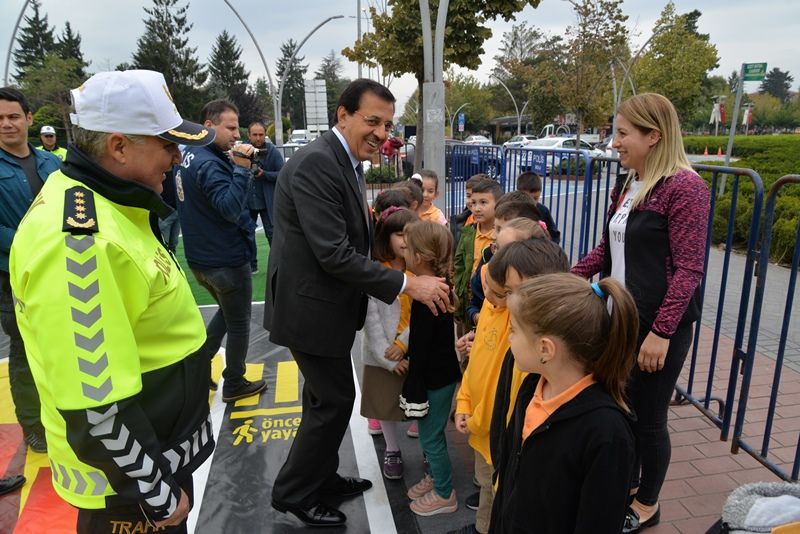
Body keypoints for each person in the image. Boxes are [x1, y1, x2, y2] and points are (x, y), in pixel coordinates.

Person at [9, 69, 217, 533]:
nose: (177, 157)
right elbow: (97, 409)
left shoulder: (106, 203)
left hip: (147, 462)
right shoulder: (80, 244)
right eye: (167, 145)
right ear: (119, 147)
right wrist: (157, 493)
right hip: (130, 488)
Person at [265, 78, 450, 528]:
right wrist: (408, 283)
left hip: (323, 307)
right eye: (372, 121)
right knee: (333, 402)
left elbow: (354, 240)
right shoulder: (316, 165)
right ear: (342, 115)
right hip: (309, 310)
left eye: (386, 124)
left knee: (322, 400)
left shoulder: (346, 161)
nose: (381, 133)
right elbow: (334, 254)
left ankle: (322, 478)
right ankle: (293, 493)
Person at [571, 92, 711, 533]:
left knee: (649, 417)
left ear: (654, 136)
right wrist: (571, 276)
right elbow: (609, 248)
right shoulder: (628, 182)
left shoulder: (686, 187)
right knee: (620, 404)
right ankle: (624, 482)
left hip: (655, 327)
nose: (614, 143)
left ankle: (647, 503)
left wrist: (662, 332)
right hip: (619, 317)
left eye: (623, 133)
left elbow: (690, 268)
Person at [490, 274, 638, 534]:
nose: (509, 338)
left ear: (545, 349)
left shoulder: (606, 434)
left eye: (513, 330)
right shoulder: (532, 388)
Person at [176, 100, 267, 403]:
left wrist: (239, 167)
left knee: (226, 316)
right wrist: (240, 171)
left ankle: (199, 369)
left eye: (237, 127)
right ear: (208, 126)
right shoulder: (209, 163)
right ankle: (235, 382)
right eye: (229, 127)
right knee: (239, 322)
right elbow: (228, 209)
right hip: (225, 259)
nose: (235, 134)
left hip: (200, 259)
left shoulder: (190, 154)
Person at [0, 87, 61, 454]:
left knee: (61, 346)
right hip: (13, 281)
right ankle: (32, 424)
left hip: (57, 272)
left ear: (29, 119)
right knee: (24, 353)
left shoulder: (51, 163)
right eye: (0, 119)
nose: (6, 124)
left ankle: (61, 413)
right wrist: (32, 242)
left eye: (13, 116)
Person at [400, 221, 462, 516]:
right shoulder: (439, 284)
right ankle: (436, 477)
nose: (404, 252)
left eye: (408, 249)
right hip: (441, 375)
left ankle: (444, 493)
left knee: (431, 437)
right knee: (431, 434)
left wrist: (415, 386)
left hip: (435, 380)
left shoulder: (427, 298)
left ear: (420, 257)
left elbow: (422, 350)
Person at [360, 207, 418, 479]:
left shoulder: (420, 269)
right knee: (384, 401)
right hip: (381, 353)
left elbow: (421, 315)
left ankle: (431, 449)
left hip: (413, 349)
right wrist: (388, 357)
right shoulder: (375, 273)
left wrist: (404, 345)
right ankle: (392, 449)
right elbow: (370, 321)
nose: (405, 240)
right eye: (399, 234)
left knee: (420, 399)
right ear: (386, 236)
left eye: (410, 234)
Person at [453, 178, 502, 329]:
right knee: (464, 343)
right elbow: (459, 265)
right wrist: (458, 301)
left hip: (491, 300)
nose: (477, 208)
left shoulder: (501, 237)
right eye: (473, 203)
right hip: (468, 301)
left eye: (483, 202)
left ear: (498, 205)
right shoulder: (467, 232)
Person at [246, 121, 284, 251]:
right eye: (255, 134)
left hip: (267, 201)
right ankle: (251, 266)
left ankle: (278, 265)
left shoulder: (272, 152)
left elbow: (282, 174)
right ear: (248, 135)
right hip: (248, 201)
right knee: (246, 235)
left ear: (265, 135)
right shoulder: (242, 151)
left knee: (273, 235)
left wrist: (264, 174)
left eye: (261, 134)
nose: (258, 138)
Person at [515, 171, 560, 242]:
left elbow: (554, 235)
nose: (532, 202)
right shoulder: (513, 210)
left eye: (535, 198)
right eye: (527, 198)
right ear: (518, 193)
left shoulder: (543, 211)